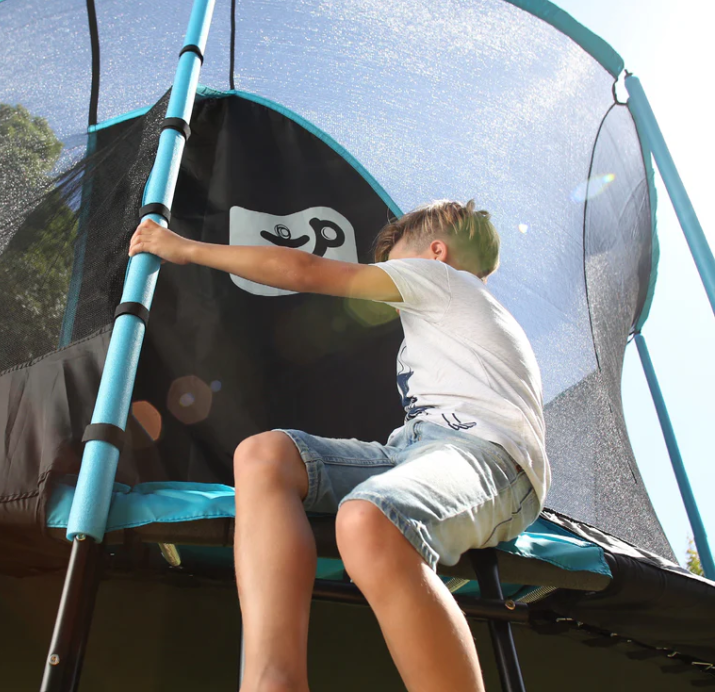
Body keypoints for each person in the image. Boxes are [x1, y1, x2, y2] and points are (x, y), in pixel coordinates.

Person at [129, 199, 549, 692]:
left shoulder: (441, 279)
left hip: (488, 456)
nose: (387, 285)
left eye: (392, 270)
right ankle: (272, 682)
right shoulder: (456, 319)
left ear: (435, 253)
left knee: (371, 519)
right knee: (264, 456)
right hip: (418, 450)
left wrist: (183, 248)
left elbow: (302, 268)